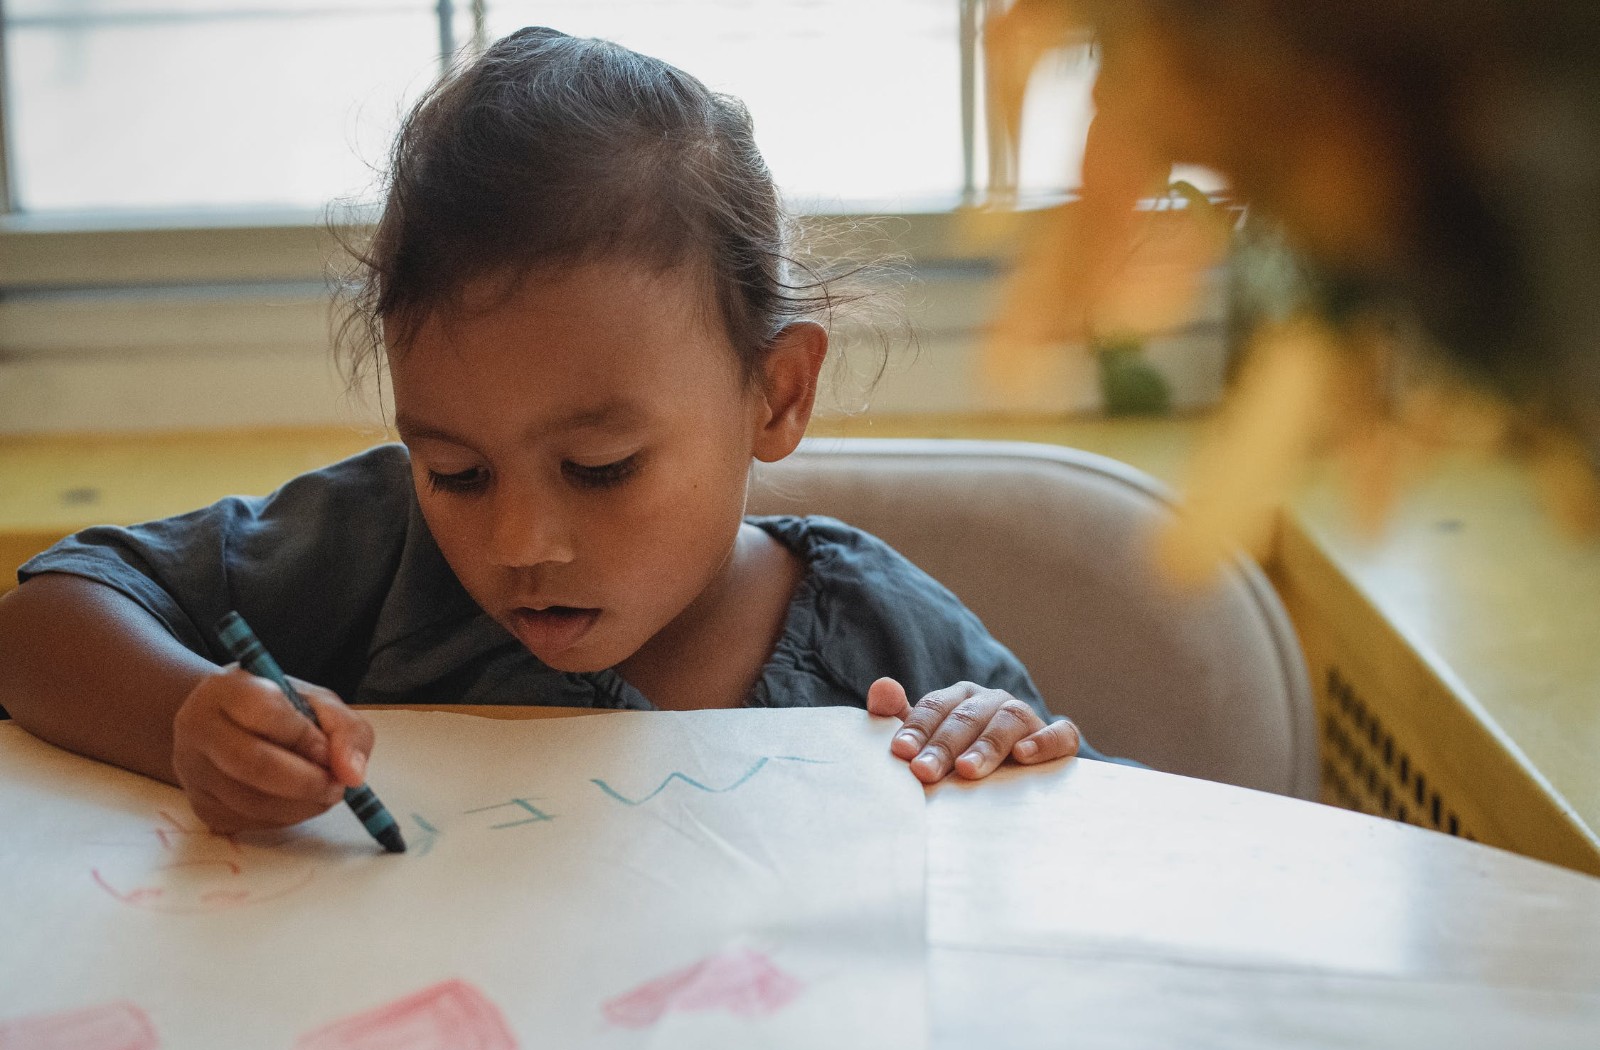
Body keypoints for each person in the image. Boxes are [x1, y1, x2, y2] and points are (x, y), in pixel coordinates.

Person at [0, 27, 1123, 836]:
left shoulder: (882, 639)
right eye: (457, 469)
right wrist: (185, 719)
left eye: (600, 467)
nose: (521, 540)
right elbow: (40, 620)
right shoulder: (378, 552)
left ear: (775, 395)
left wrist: (1001, 748)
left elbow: (1087, 849)